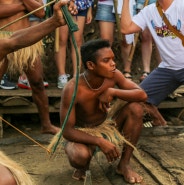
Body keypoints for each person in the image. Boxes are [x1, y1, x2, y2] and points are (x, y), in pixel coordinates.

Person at [49, 39, 147, 183]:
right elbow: (67, 131)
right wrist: (99, 141)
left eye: (113, 59)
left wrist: (113, 91)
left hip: (107, 124)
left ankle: (124, 165)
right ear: (91, 65)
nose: (113, 64)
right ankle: (83, 166)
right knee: (79, 157)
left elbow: (142, 95)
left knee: (136, 108)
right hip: (81, 132)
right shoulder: (72, 89)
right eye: (106, 60)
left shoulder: (114, 75)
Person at [0, 1, 77, 184]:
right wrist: (21, 5)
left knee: (37, 83)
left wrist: (54, 21)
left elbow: (15, 39)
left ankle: (46, 124)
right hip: (5, 32)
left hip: (22, 34)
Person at [121, 0, 183, 125]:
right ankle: (160, 122)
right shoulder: (149, 11)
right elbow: (126, 29)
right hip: (167, 69)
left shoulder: (181, 5)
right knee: (137, 98)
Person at [55, 0, 93, 88]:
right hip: (63, 5)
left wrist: (89, 9)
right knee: (61, 40)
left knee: (77, 41)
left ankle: (77, 75)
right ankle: (61, 75)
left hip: (81, 5)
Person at [94, 0, 136, 80]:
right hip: (106, 3)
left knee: (126, 39)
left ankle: (127, 70)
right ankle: (106, 71)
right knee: (106, 42)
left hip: (125, 3)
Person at [136, 0, 161, 82]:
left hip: (160, 2)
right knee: (145, 36)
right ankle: (146, 71)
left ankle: (162, 68)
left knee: (160, 35)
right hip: (143, 1)